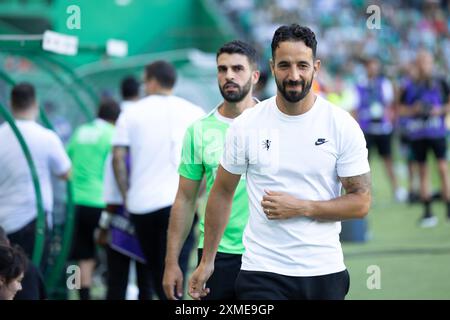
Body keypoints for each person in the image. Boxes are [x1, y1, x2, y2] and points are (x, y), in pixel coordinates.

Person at [189, 24, 371, 300]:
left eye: (302, 65)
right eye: (284, 65)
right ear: (272, 67)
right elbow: (222, 192)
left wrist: (302, 207)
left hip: (324, 271)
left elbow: (360, 202)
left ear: (316, 66)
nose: (294, 75)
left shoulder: (341, 125)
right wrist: (207, 261)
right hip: (262, 272)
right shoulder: (247, 125)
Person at [163, 40, 260, 300]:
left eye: (237, 68)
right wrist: (172, 262)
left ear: (255, 75)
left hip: (267, 251)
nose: (229, 75)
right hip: (215, 256)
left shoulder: (273, 123)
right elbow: (185, 198)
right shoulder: (199, 131)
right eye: (222, 69)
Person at [112, 60, 205, 300]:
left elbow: (118, 158)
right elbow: (207, 163)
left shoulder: (131, 112)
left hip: (143, 206)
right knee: (177, 273)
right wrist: (197, 195)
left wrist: (127, 195)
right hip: (180, 203)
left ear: (152, 81)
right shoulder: (195, 112)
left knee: (155, 272)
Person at [96, 75, 153, 300]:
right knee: (146, 284)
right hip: (146, 215)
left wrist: (103, 224)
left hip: (120, 217)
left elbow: (111, 186)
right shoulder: (142, 122)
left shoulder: (122, 121)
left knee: (117, 284)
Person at [0, 82, 71, 260]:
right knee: (30, 278)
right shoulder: (47, 137)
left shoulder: (1, 134)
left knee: (7, 280)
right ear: (35, 104)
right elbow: (66, 172)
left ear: (10, 104)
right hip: (34, 220)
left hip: (4, 221)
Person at [67, 98, 121, 300]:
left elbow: (67, 159)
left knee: (80, 254)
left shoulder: (80, 131)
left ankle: (79, 294)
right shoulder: (112, 134)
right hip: (101, 203)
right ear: (116, 119)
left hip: (76, 202)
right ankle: (112, 291)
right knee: (112, 251)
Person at [398, 50, 450, 227]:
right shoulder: (409, 85)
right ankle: (428, 213)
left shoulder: (440, 81)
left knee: (443, 168)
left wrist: (439, 110)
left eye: (427, 62)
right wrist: (415, 110)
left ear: (432, 63)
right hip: (418, 134)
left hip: (437, 133)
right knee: (423, 172)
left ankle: (448, 209)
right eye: (420, 62)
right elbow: (401, 109)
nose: (424, 65)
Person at [354, 56, 406, 202]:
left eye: (375, 66)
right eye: (370, 66)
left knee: (388, 160)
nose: (373, 69)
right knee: (364, 163)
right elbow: (356, 107)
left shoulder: (384, 83)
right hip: (367, 129)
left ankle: (396, 190)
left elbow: (391, 104)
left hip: (383, 128)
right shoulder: (360, 84)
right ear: (366, 68)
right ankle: (366, 194)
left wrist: (392, 121)